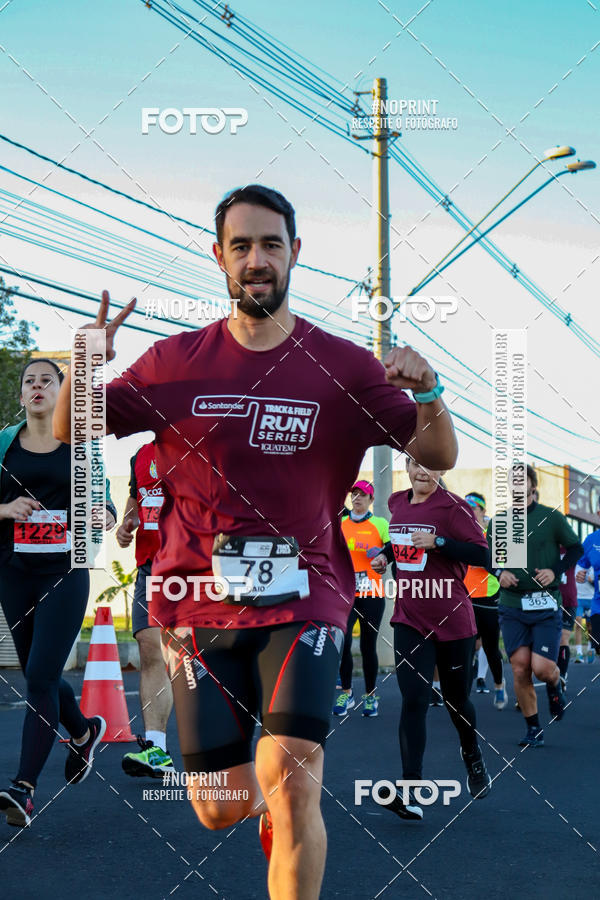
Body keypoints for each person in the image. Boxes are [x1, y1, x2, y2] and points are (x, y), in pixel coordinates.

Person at [53, 185, 458, 899]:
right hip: (197, 603)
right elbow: (70, 427)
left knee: (293, 770)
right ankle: (267, 808)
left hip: (308, 597)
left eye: (271, 244)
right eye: (241, 246)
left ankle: (286, 813)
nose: (257, 259)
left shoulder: (343, 367)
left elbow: (439, 454)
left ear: (294, 252)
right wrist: (84, 363)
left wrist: (428, 393)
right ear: (219, 257)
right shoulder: (174, 362)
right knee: (219, 806)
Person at [0, 359, 116, 827]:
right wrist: (6, 508)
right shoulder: (4, 445)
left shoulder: (80, 447)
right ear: (21, 395)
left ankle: (23, 790)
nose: (38, 386)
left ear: (61, 394)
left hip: (65, 572)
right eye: (30, 381)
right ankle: (84, 733)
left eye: (48, 380)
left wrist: (106, 513)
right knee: (38, 672)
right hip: (14, 571)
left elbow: (104, 499)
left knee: (40, 677)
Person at [372, 457, 492, 821]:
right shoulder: (396, 502)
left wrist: (438, 542)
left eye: (429, 466)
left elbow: (482, 553)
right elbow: (400, 543)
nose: (421, 471)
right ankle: (411, 790)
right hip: (409, 619)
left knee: (457, 701)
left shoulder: (454, 507)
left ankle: (471, 752)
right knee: (414, 700)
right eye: (415, 464)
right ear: (407, 467)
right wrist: (384, 556)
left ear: (440, 471)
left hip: (452, 620)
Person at [487, 465, 583, 748]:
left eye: (523, 479)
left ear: (532, 485)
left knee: (542, 668)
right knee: (519, 669)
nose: (517, 484)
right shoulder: (500, 521)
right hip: (512, 604)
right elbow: (489, 557)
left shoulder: (551, 517)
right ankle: (534, 729)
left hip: (545, 603)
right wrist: (499, 573)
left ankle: (554, 684)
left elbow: (576, 548)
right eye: (512, 481)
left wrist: (555, 570)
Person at [118, 441, 175, 777]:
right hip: (151, 566)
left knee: (201, 659)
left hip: (196, 566)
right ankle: (157, 749)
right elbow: (135, 499)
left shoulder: (205, 446)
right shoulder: (139, 455)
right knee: (150, 648)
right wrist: (128, 524)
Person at [335, 480, 389, 717]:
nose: (357, 498)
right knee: (344, 643)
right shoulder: (341, 524)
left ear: (371, 499)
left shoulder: (380, 524)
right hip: (346, 594)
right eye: (354, 494)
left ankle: (370, 697)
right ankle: (347, 693)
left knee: (368, 646)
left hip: (372, 594)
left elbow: (393, 551)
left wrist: (382, 554)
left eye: (362, 495)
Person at [463, 492, 506, 708]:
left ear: (482, 511)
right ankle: (463, 698)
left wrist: (482, 558)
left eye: (473, 508)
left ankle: (499, 684)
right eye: (465, 508)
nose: (469, 512)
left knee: (490, 648)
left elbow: (501, 563)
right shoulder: (459, 534)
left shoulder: (493, 534)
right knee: (466, 648)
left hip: (489, 597)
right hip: (464, 597)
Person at [576, 520, 600, 662]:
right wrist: (581, 575)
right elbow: (581, 566)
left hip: (592, 599)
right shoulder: (591, 540)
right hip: (596, 604)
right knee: (598, 645)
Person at [558, 547, 578, 691]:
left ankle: (562, 675)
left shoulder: (572, 548)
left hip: (568, 600)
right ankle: (554, 671)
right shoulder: (546, 546)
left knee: (563, 638)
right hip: (549, 599)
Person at [574, 564, 594, 662]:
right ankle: (579, 653)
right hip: (578, 598)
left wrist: (592, 581)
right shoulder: (576, 563)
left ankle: (590, 649)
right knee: (578, 623)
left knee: (589, 627)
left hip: (591, 599)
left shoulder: (594, 564)